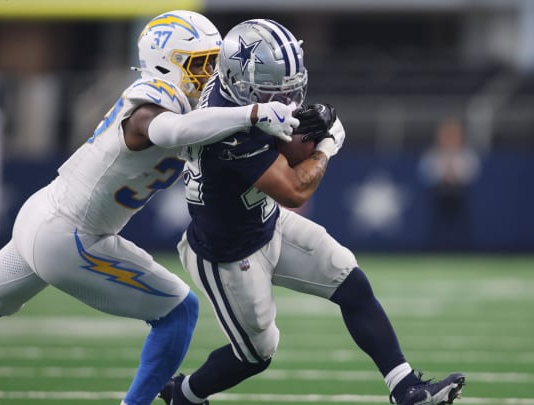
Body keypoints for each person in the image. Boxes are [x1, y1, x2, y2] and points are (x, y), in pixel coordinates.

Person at [0, 10, 300, 405]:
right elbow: (171, 130)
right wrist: (252, 112)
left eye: (213, 63)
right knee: (179, 311)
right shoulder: (153, 100)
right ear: (166, 64)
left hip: (46, 213)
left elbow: (216, 135)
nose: (209, 75)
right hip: (70, 235)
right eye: (199, 64)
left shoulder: (196, 108)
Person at [160, 19, 465, 405]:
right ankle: (184, 395)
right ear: (240, 84)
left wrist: (314, 120)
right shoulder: (226, 131)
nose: (286, 102)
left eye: (289, 90)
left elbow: (283, 138)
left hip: (266, 221)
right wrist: (326, 144)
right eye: (273, 92)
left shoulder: (239, 97)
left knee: (349, 279)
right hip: (227, 254)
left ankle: (406, 390)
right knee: (256, 354)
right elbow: (293, 188)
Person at [418, 118, 480, 250]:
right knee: (437, 225)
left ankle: (465, 249)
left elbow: (472, 172)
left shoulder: (466, 154)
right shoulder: (433, 154)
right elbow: (426, 173)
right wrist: (442, 176)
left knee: (461, 225)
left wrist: (456, 176)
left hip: (459, 193)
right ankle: (434, 248)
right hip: (439, 193)